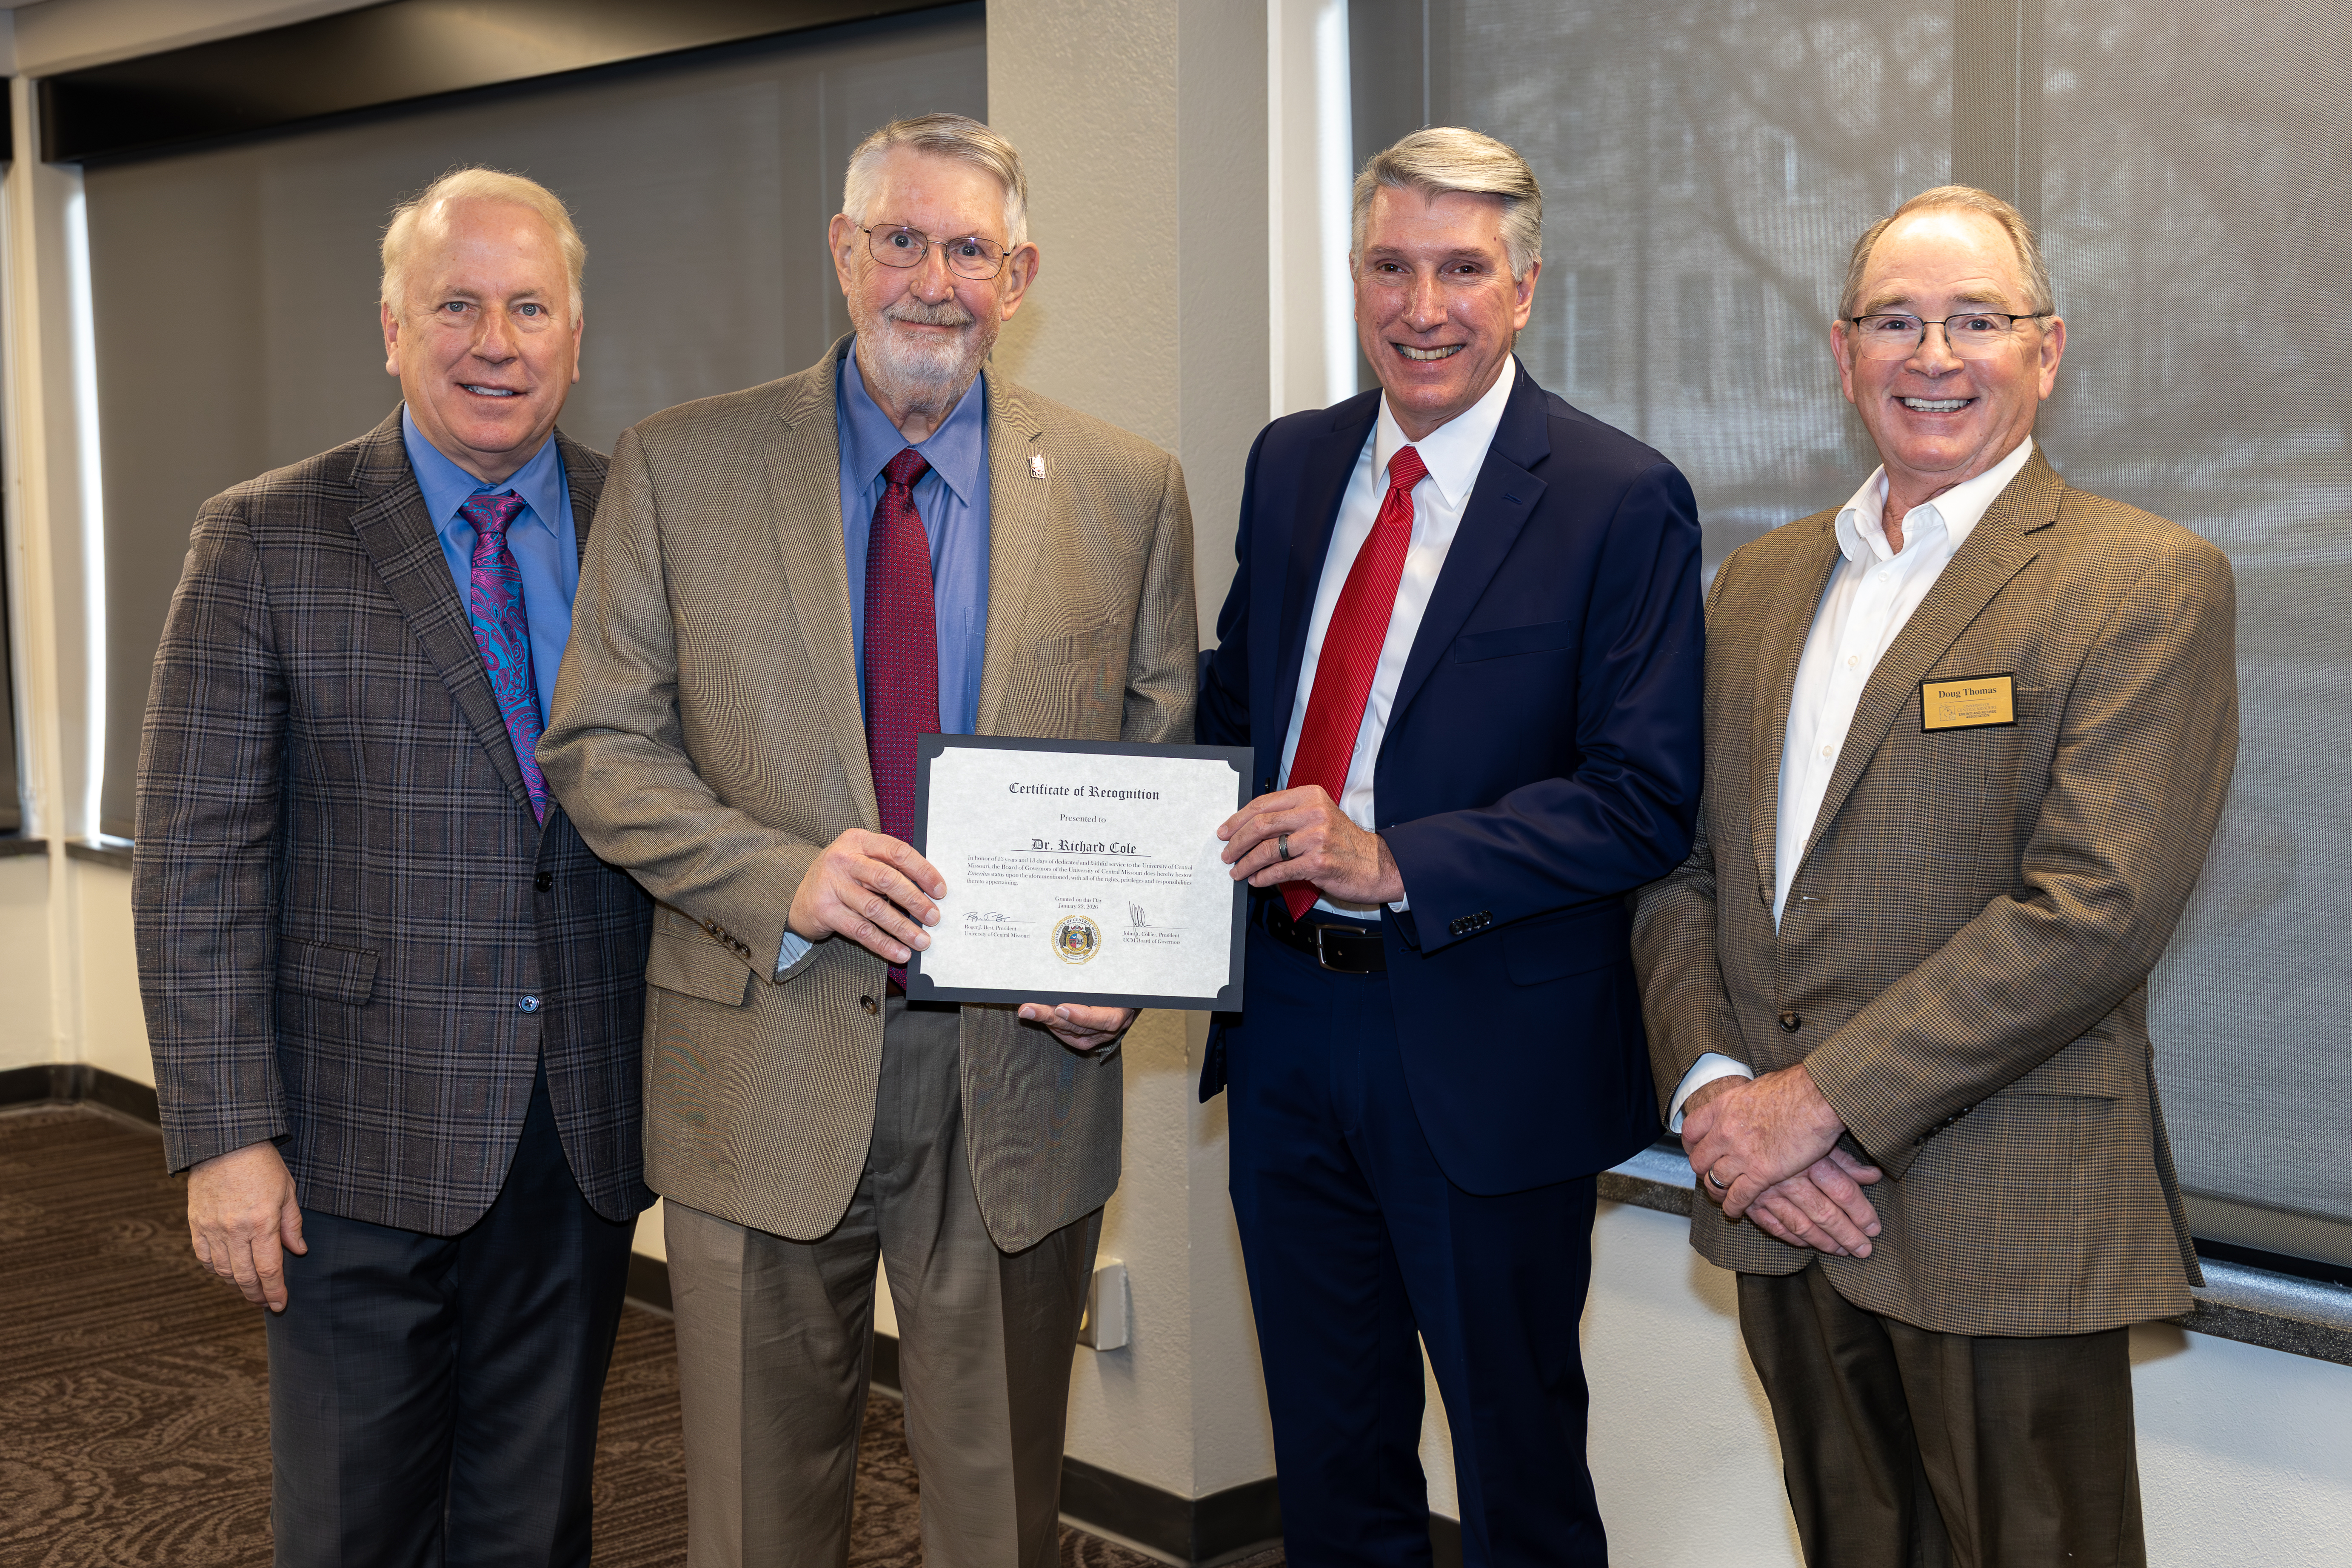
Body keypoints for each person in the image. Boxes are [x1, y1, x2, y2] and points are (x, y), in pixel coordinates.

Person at [537, 112, 1195, 1568]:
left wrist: (1124, 965)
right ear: (843, 252)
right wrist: (785, 879)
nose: (931, 279)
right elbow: (599, 747)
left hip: (1017, 1074)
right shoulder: (681, 467)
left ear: (1018, 276)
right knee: (759, 1519)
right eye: (899, 238)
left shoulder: (1125, 490)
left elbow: (1156, 772)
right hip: (758, 1058)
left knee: (1001, 1517)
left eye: (970, 249)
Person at [1630, 185, 2238, 1567]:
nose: (1935, 355)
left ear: (2049, 349)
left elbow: (2095, 909)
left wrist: (1811, 1110)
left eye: (1977, 319)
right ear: (1844, 357)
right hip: (1784, 1214)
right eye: (1896, 321)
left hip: (2003, 1210)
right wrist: (1721, 1098)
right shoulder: (1765, 585)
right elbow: (1686, 871)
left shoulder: (2144, 582)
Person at [1195, 127, 1705, 1567]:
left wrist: (1394, 858)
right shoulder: (1292, 466)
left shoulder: (1619, 497)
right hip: (1287, 1024)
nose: (1424, 306)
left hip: (1486, 1050)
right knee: (1330, 1455)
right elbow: (1236, 712)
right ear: (1356, 275)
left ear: (1526, 287)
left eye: (1464, 270)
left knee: (1515, 1471)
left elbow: (1640, 797)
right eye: (1392, 266)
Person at [134, 168, 652, 1565]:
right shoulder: (265, 536)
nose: (498, 340)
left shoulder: (643, 526)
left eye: (529, 306)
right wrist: (225, 1138)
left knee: (537, 1516)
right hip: (347, 1140)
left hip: (583, 1127)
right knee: (356, 1522)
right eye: (458, 305)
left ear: (576, 333)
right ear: (391, 326)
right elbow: (196, 858)